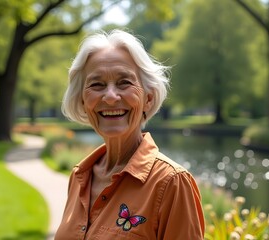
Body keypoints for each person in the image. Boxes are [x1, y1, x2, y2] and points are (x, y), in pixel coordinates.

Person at [55, 29, 205, 240]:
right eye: (96, 84)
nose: (110, 96)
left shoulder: (172, 183)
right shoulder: (80, 176)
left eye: (124, 82)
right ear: (82, 101)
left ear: (148, 99)